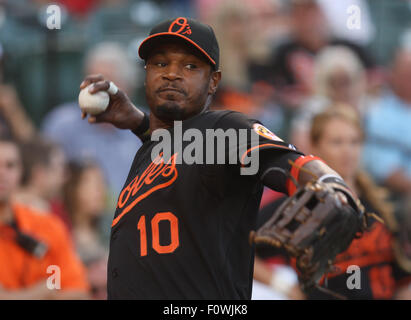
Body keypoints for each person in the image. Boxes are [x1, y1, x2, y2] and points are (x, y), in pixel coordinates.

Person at [79, 17, 363, 299]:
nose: (171, 74)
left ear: (214, 81)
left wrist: (328, 183)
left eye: (190, 66)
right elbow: (179, 151)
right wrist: (141, 124)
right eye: (160, 63)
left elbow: (286, 161)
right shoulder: (153, 149)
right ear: (146, 74)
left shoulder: (222, 129)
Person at [256, 107, 411, 299]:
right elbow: (242, 248)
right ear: (315, 147)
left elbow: (404, 279)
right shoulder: (300, 204)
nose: (348, 151)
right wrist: (283, 286)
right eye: (337, 142)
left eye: (354, 142)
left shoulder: (382, 202)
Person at [42, 42, 142, 195]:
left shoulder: (143, 123)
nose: (94, 89)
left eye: (104, 83)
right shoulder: (62, 123)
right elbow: (43, 179)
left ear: (126, 87)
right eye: (90, 81)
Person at [0, 135, 90, 299]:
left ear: (20, 172)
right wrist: (42, 292)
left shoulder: (47, 225)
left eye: (10, 165)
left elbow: (78, 292)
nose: (2, 173)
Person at [363, 47, 411, 197]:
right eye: (407, 74)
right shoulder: (376, 111)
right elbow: (384, 168)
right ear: (392, 74)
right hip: (399, 196)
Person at [63, 160, 110, 300]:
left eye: (102, 184)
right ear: (73, 189)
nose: (100, 191)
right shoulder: (61, 230)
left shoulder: (111, 228)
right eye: (92, 184)